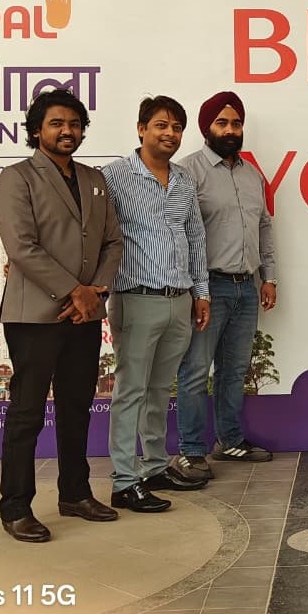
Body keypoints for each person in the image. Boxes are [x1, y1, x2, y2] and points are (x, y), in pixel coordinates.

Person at [0, 89, 123, 542]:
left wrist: (95, 292)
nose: (67, 130)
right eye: (56, 123)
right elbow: (21, 247)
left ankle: (75, 494)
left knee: (76, 407)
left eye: (74, 124)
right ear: (36, 130)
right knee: (27, 412)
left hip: (83, 315)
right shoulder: (17, 178)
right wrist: (74, 291)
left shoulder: (94, 179)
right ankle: (15, 508)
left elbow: (113, 242)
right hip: (34, 315)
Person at [102, 96, 211, 513]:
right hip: (136, 298)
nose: (170, 134)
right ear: (141, 129)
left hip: (179, 300)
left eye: (177, 127)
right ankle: (124, 481)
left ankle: (152, 467)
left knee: (159, 390)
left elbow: (195, 237)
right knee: (131, 390)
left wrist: (201, 292)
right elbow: (99, 235)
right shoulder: (114, 176)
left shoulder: (183, 179)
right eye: (161, 125)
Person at [172, 91, 278, 481]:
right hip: (207, 288)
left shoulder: (253, 176)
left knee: (233, 371)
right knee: (195, 371)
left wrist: (269, 277)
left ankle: (230, 441)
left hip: (246, 288)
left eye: (236, 123)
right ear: (207, 128)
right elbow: (177, 234)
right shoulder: (187, 171)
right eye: (222, 123)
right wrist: (194, 290)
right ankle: (191, 451)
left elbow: (264, 227)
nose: (230, 130)